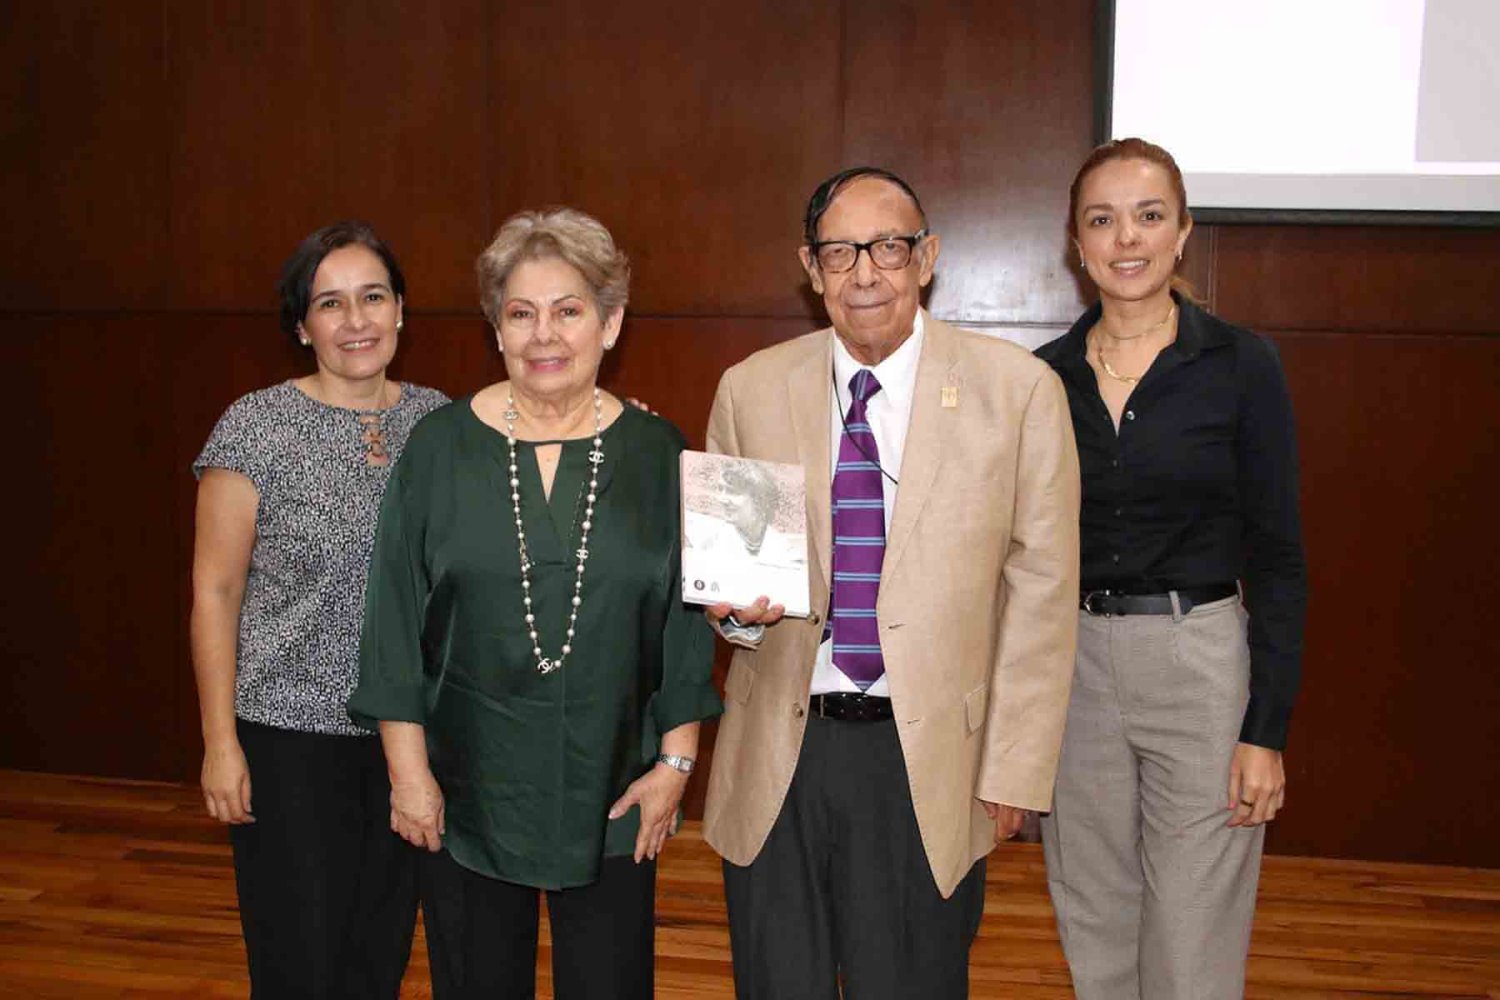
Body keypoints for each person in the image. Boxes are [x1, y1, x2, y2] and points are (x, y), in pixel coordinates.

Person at [700, 166, 1082, 999]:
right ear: (811, 269)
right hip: (782, 751)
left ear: (927, 257)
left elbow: (1043, 598)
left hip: (931, 759)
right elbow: (731, 592)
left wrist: (1014, 771)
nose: (864, 273)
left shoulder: (1018, 393)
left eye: (888, 248)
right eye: (840, 252)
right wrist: (734, 616)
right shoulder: (751, 389)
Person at [348, 207, 720, 1000]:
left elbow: (684, 630)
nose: (543, 334)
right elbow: (393, 622)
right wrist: (408, 775)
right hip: (466, 793)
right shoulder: (438, 448)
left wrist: (676, 767)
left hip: (615, 786)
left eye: (568, 310)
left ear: (610, 323)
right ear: (497, 330)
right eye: (521, 313)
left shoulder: (659, 453)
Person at [1035, 137, 1308, 1000]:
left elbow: (1279, 557)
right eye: (1102, 220)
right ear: (1077, 245)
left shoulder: (1241, 364)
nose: (1127, 239)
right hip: (1074, 670)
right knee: (1095, 922)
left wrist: (1266, 731)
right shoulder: (1043, 380)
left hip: (1201, 666)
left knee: (1193, 940)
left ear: (1183, 232)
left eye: (1149, 216)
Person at [189, 221, 447, 998]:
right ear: (302, 326)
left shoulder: (442, 424)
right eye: (330, 303)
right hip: (288, 740)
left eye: (373, 297)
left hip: (410, 738)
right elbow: (215, 594)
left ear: (400, 309)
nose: (356, 320)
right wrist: (220, 743)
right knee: (298, 961)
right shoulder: (254, 427)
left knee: (379, 954)